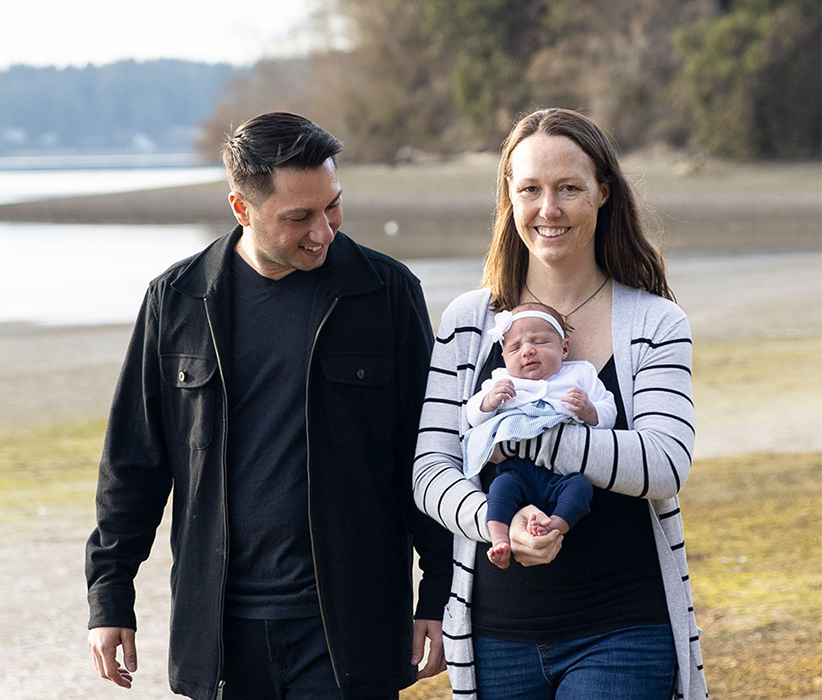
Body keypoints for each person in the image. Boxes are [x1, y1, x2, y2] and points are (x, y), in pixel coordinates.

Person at [86, 111, 454, 700]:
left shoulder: (385, 293)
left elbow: (429, 451)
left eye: (332, 206)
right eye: (298, 218)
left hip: (350, 632)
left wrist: (439, 592)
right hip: (222, 634)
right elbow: (133, 464)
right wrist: (110, 598)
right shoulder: (177, 300)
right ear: (241, 208)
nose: (324, 231)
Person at [412, 108, 707, 699]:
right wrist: (499, 524)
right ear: (509, 197)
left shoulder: (654, 321)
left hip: (624, 631)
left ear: (603, 192)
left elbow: (666, 463)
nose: (548, 209)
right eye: (531, 190)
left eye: (569, 188)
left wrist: (532, 434)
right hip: (496, 641)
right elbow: (430, 471)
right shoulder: (469, 323)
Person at [462, 302, 617, 569]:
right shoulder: (501, 380)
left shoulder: (580, 374)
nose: (528, 351)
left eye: (540, 341)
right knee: (499, 490)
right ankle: (499, 539)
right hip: (518, 471)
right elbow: (473, 417)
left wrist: (589, 410)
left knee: (580, 489)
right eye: (515, 347)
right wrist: (489, 401)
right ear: (504, 356)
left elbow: (609, 413)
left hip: (565, 472)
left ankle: (553, 528)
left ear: (564, 347)